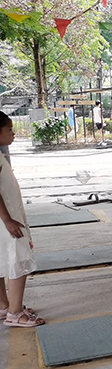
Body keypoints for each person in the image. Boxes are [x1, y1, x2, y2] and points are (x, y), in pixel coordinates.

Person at [0, 111, 44, 327]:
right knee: (18, 259)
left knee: (2, 259)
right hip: (6, 219)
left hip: (4, 217)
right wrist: (8, 220)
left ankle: (3, 305)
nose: (13, 133)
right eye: (9, 129)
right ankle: (15, 313)